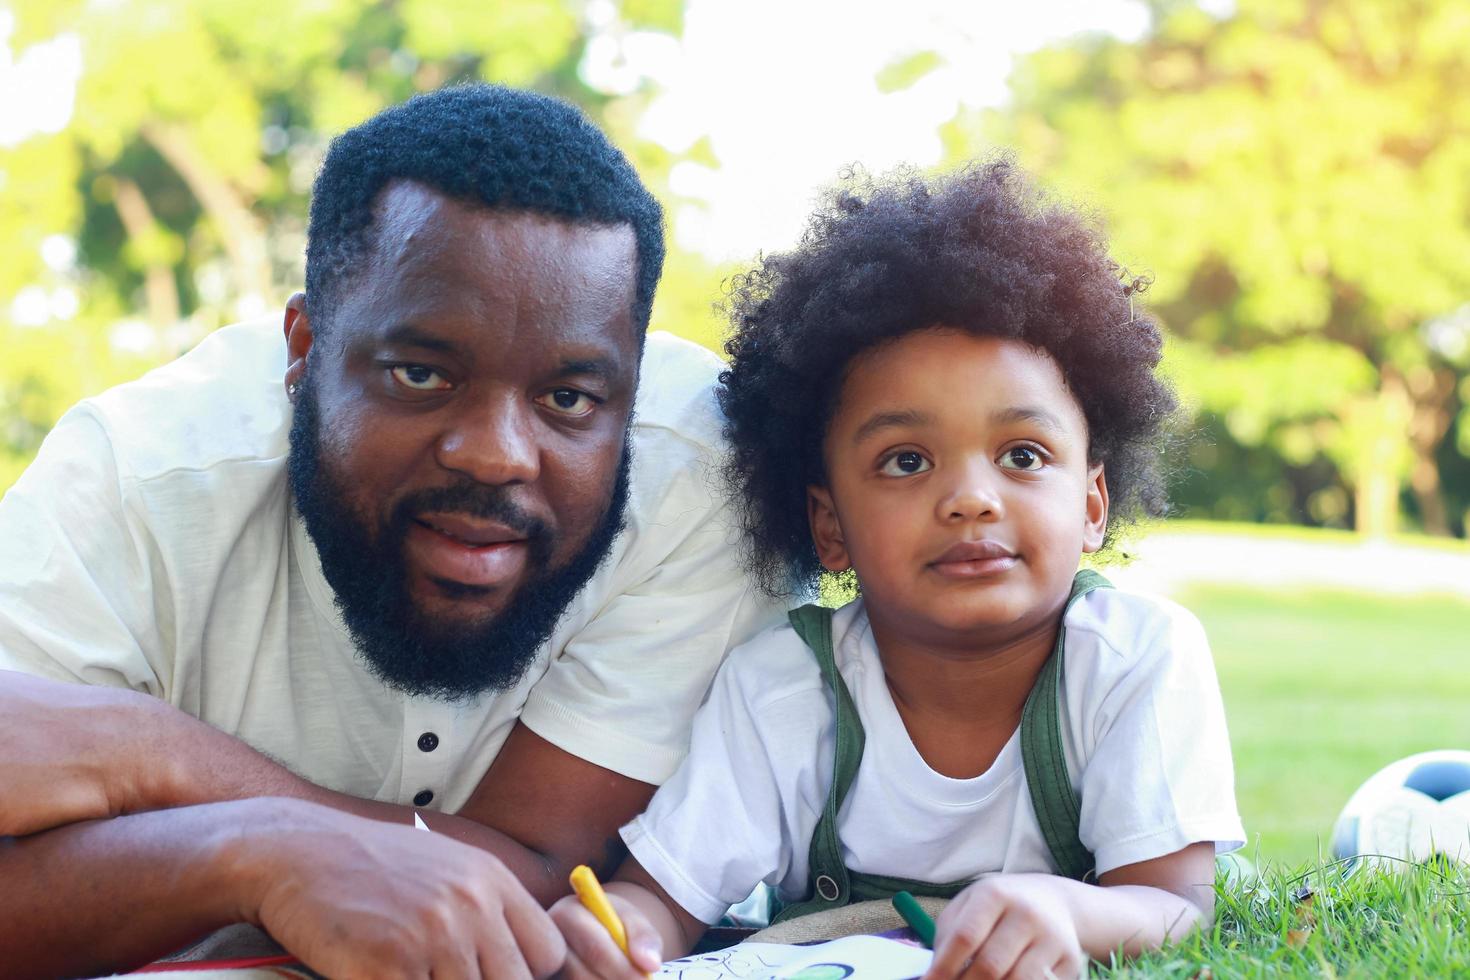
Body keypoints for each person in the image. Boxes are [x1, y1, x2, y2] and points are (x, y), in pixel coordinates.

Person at [0, 84, 779, 977]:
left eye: (567, 400)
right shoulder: (135, 479)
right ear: (303, 351)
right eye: (421, 374)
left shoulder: (700, 477)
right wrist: (253, 853)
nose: (495, 456)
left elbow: (536, 874)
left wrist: (167, 766)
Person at [551, 161, 1246, 979]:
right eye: (906, 460)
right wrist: (616, 934)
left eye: (1022, 454)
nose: (970, 499)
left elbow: (1174, 907)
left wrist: (1062, 908)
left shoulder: (1134, 659)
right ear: (829, 525)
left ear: (1092, 503)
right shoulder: (783, 690)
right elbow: (664, 900)